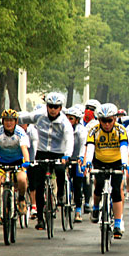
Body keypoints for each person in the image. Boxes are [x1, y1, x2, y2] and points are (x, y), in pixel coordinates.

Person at [18, 92, 74, 230]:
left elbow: (69, 139)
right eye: (50, 106)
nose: (53, 109)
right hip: (41, 153)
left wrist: (67, 155)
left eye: (56, 107)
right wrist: (0, 119)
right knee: (39, 185)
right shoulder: (39, 115)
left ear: (60, 108)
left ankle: (60, 194)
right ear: (47, 106)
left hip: (59, 153)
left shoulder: (64, 122)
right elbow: (21, 118)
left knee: (60, 170)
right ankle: (41, 219)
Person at [85, 103, 129, 238]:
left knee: (116, 190)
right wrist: (87, 163)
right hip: (99, 161)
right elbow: (90, 148)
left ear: (114, 119)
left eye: (109, 120)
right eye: (103, 121)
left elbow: (123, 148)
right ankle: (96, 207)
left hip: (116, 162)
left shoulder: (120, 130)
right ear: (99, 120)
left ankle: (117, 223)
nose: (107, 124)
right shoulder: (93, 130)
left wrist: (125, 164)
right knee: (98, 187)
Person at [0, 109, 31, 225]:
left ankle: (21, 199)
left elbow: (24, 148)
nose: (9, 123)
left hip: (18, 162)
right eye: (6, 120)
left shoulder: (20, 132)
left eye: (11, 121)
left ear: (15, 122)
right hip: (2, 163)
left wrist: (27, 161)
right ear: (2, 121)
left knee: (22, 180)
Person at [65, 106, 87, 222]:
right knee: (65, 180)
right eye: (67, 118)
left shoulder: (81, 130)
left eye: (71, 119)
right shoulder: (63, 128)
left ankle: (78, 210)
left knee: (78, 185)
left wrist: (81, 158)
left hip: (77, 159)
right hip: (65, 158)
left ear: (77, 120)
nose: (68, 121)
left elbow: (84, 145)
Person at [17, 111, 39, 220]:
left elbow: (34, 148)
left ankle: (34, 205)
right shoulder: (15, 131)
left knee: (32, 180)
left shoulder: (32, 132)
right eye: (18, 124)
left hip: (29, 156)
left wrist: (32, 161)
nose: (21, 126)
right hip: (17, 156)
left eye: (23, 124)